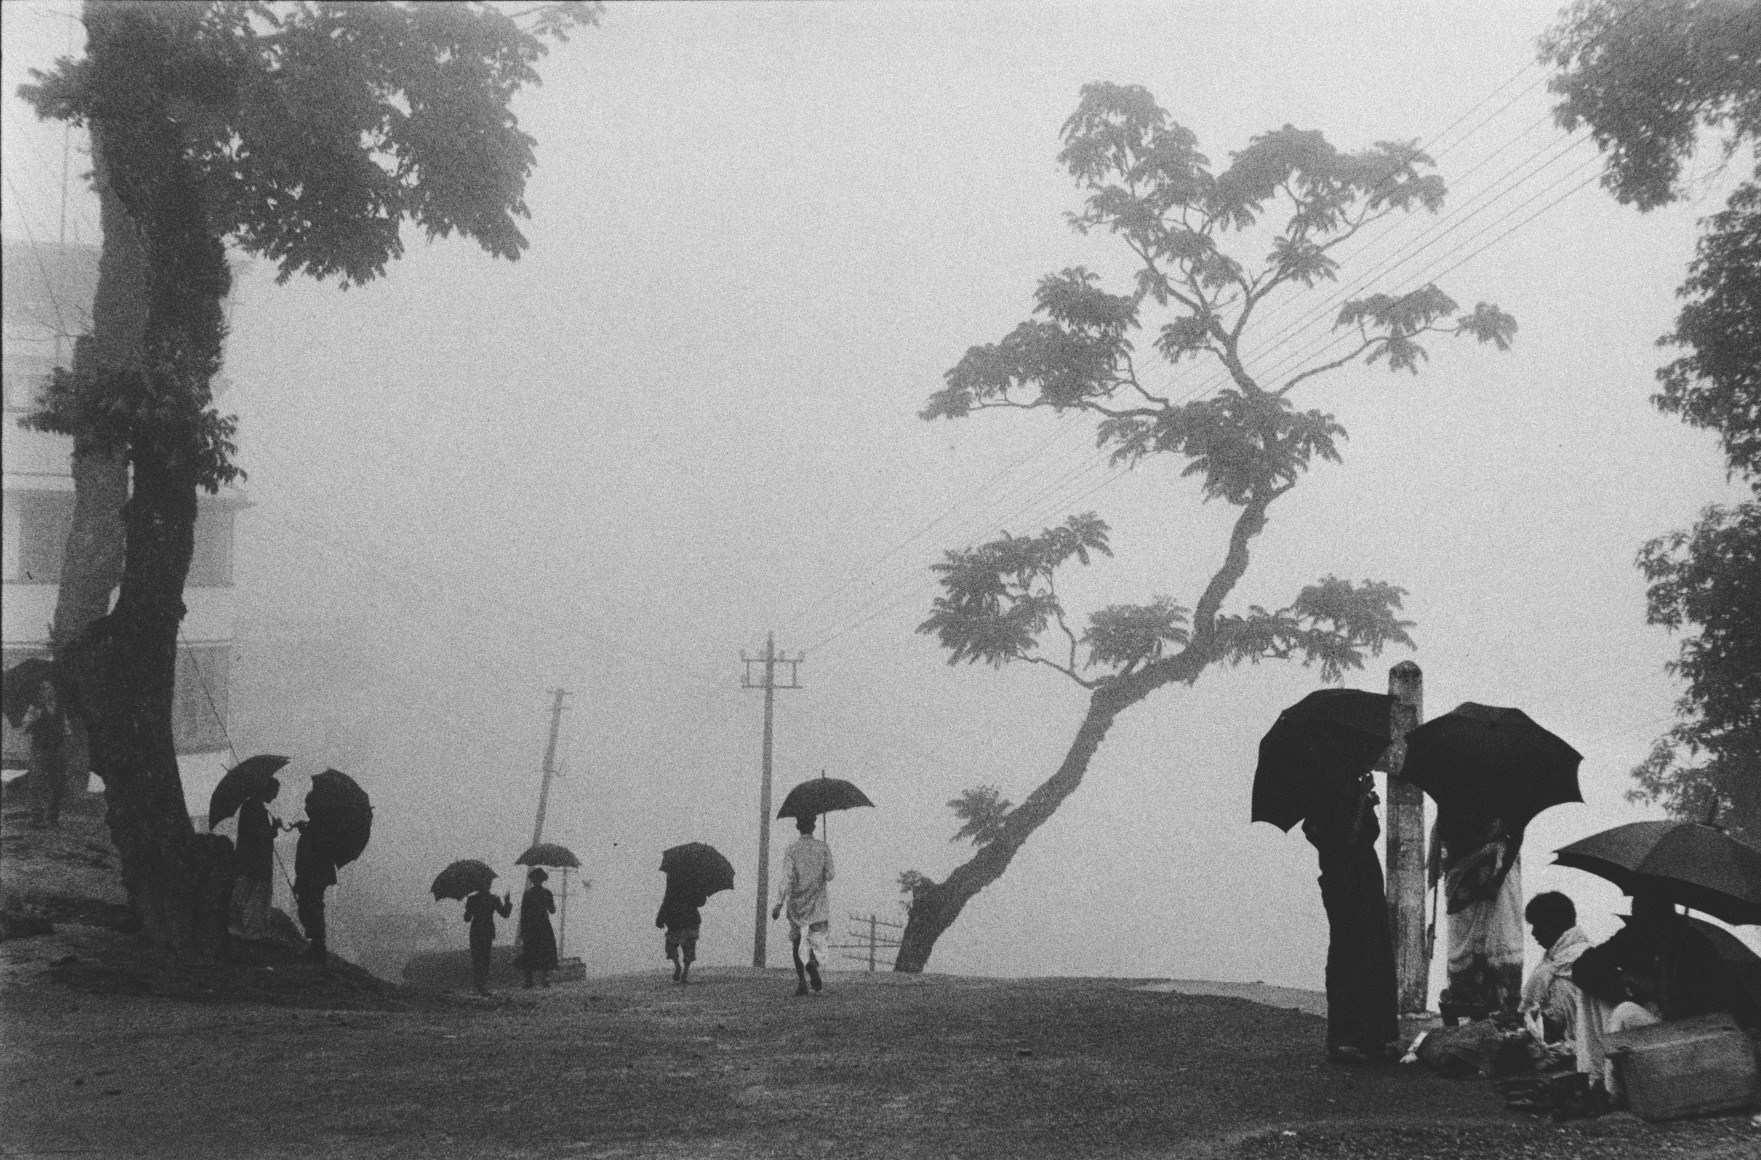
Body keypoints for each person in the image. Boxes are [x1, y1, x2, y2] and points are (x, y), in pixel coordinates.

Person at [1301, 770, 1399, 1063]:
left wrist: (1366, 802)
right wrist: (1360, 802)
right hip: (1346, 883)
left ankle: (1374, 1036)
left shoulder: (1349, 788)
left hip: (1365, 878)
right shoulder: (1327, 795)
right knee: (1351, 953)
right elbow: (1346, 840)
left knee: (1375, 954)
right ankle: (1347, 1037)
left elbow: (1366, 834)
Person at [1431, 809, 1524, 1021]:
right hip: (1461, 876)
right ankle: (1466, 1001)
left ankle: (1502, 1006)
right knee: (1462, 944)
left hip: (1498, 870)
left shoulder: (1509, 797)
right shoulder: (1453, 799)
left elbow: (1517, 833)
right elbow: (1444, 831)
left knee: (1501, 936)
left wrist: (1499, 877)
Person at [1519, 891, 1592, 1052]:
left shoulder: (1569, 963)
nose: (1533, 933)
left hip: (1577, 1046)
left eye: (1537, 925)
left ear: (1555, 923)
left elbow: (1550, 1022)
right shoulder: (1557, 958)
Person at [771, 814, 834, 996]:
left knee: (797, 941)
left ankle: (801, 982)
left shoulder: (792, 849)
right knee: (816, 939)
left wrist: (779, 904)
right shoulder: (823, 847)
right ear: (814, 827)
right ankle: (812, 963)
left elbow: (787, 878)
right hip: (817, 903)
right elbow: (830, 875)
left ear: (798, 827)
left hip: (797, 904)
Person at [231, 779, 280, 941]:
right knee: (255, 897)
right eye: (273, 792)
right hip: (255, 862)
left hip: (253, 862)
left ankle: (252, 931)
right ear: (265, 790)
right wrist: (273, 828)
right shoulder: (253, 808)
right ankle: (252, 933)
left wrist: (273, 829)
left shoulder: (254, 807)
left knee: (253, 896)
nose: (274, 797)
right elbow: (257, 836)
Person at [21, 679, 69, 828]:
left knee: (57, 782)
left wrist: (64, 735)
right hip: (40, 748)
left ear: (53, 690)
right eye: (43, 689)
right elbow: (25, 728)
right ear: (40, 692)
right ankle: (37, 817)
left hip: (56, 748)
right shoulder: (34, 708)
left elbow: (67, 728)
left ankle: (53, 817)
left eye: (49, 688)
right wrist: (34, 717)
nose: (47, 691)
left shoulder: (60, 707)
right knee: (37, 781)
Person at [290, 820, 336, 964]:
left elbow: (309, 857)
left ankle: (318, 949)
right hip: (315, 877)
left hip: (313, 878)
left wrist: (300, 881)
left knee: (311, 908)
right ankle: (317, 947)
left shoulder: (318, 829)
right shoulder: (319, 827)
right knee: (312, 908)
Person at [464, 884, 513, 996]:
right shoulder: (494, 898)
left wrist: (468, 909)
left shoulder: (472, 899)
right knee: (485, 958)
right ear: (489, 885)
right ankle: (482, 985)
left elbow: (467, 919)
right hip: (487, 930)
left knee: (476, 958)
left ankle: (478, 985)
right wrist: (507, 902)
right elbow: (505, 914)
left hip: (476, 930)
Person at [514, 867, 558, 989]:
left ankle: (529, 980)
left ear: (532, 880)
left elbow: (524, 913)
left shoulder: (528, 894)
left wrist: (523, 930)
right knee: (545, 950)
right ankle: (545, 979)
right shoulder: (547, 893)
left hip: (531, 926)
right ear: (543, 880)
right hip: (544, 925)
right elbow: (552, 910)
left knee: (529, 951)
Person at [656, 878, 706, 985]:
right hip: (689, 921)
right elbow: (701, 902)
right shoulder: (694, 883)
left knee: (672, 946)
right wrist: (701, 893)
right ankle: (684, 973)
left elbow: (666, 903)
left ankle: (678, 967)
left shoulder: (672, 885)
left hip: (674, 921)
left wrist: (660, 920)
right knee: (688, 948)